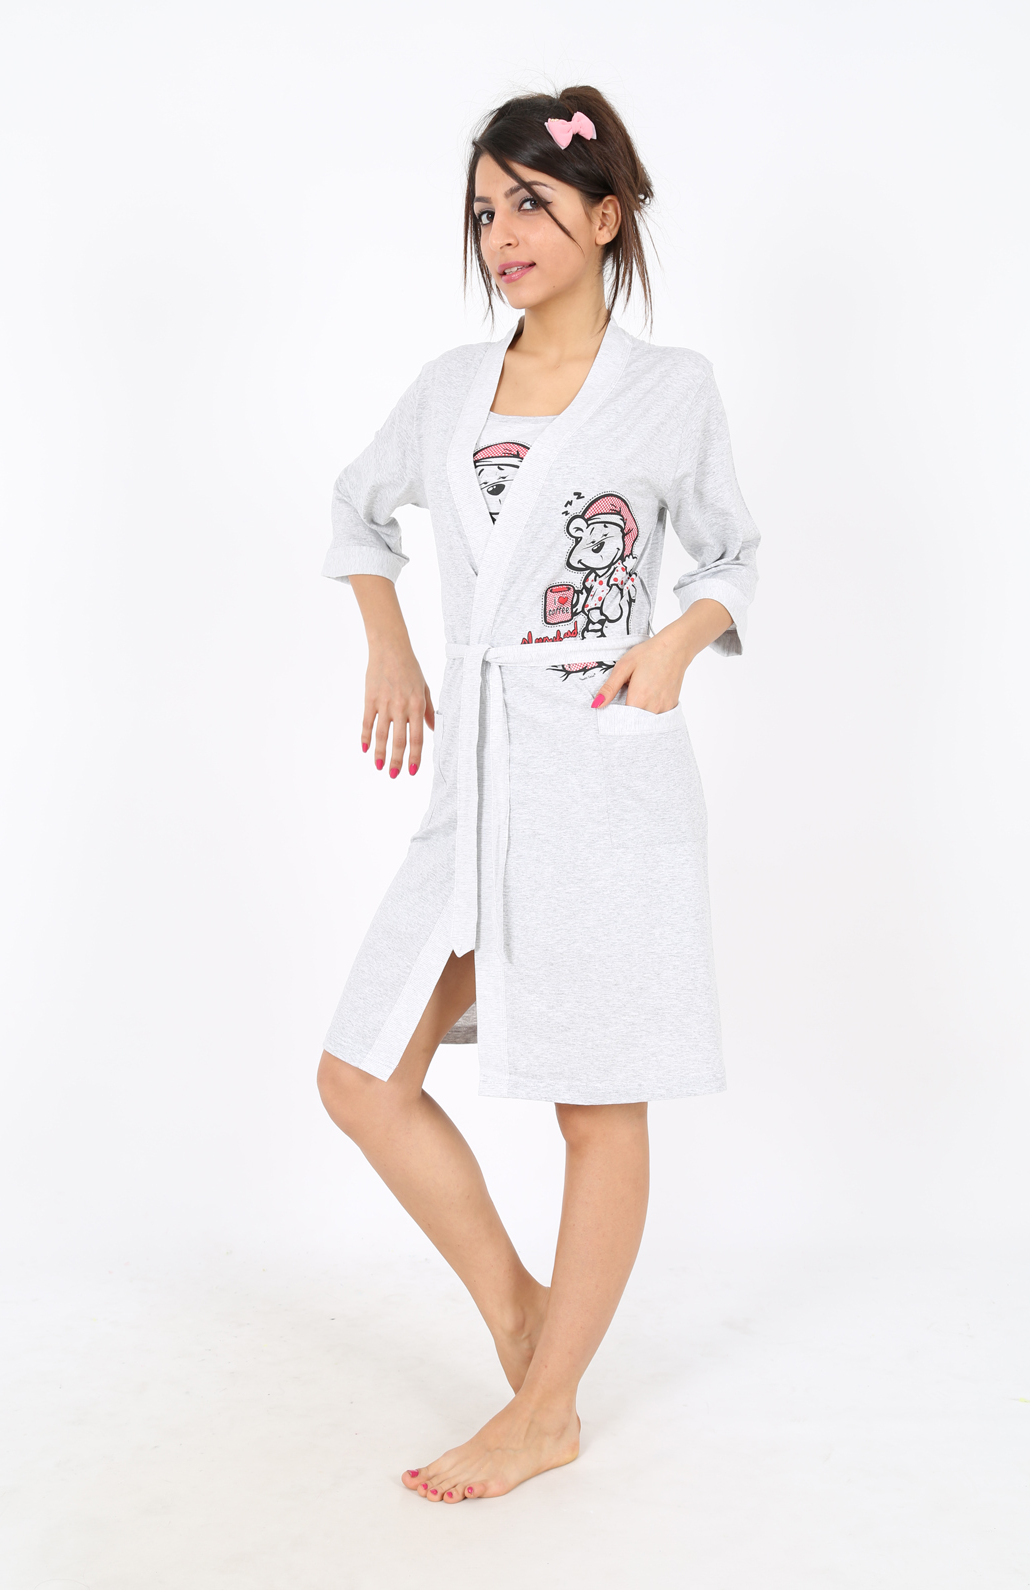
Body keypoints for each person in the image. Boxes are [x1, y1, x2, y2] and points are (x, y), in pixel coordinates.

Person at [316, 86, 760, 1504]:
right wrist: (390, 642)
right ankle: (524, 1318)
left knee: (598, 1102)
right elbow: (355, 507)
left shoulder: (671, 387)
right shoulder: (450, 389)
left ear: (606, 216)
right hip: (479, 773)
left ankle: (546, 1410)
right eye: (485, 210)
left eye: (532, 202)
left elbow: (734, 556)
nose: (502, 233)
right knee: (359, 1076)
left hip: (609, 777)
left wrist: (674, 646)